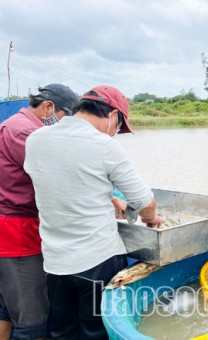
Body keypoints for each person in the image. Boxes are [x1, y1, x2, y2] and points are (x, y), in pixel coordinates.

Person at [24, 85, 163, 339]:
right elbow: (145, 202)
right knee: (97, 332)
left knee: (63, 331)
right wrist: (151, 219)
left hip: (55, 263)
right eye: (119, 128)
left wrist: (109, 199)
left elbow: (65, 179)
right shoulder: (104, 146)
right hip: (97, 262)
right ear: (113, 116)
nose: (116, 134)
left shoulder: (35, 139)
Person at [0, 84, 78, 340]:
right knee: (32, 320)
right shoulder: (27, 133)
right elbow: (57, 178)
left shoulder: (13, 125)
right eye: (67, 119)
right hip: (16, 236)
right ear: (48, 107)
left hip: (10, 230)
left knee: (6, 312)